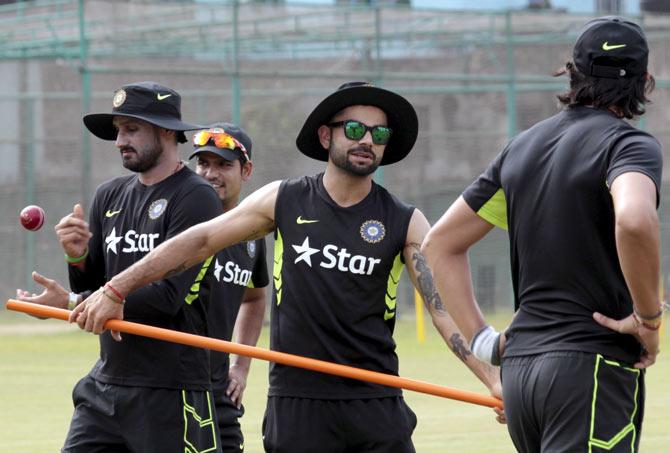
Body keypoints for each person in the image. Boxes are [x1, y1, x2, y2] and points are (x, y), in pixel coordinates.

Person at [72, 81, 502, 452]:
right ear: (325, 135)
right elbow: (199, 241)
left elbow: (444, 313)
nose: (366, 140)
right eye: (354, 129)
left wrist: (493, 380)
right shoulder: (284, 199)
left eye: (378, 132)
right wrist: (116, 290)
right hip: (296, 404)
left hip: (375, 403)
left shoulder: (405, 220)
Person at [422, 17, 662, 453]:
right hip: (590, 370)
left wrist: (483, 341)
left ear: (572, 72)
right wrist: (647, 319)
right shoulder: (629, 146)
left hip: (522, 374)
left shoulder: (521, 148)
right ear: (645, 80)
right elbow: (634, 219)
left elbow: (439, 243)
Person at [20, 81, 223, 452]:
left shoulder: (196, 197)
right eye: (118, 131)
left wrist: (69, 302)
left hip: (170, 388)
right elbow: (97, 283)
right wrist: (77, 255)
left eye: (131, 129)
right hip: (106, 384)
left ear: (165, 132)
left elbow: (166, 299)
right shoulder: (109, 194)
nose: (119, 141)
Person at [190, 123, 269, 452]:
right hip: (175, 385)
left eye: (223, 165)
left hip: (219, 388)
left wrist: (241, 365)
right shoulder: (180, 224)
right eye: (203, 164)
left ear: (246, 171)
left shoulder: (251, 237)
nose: (210, 174)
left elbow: (254, 298)